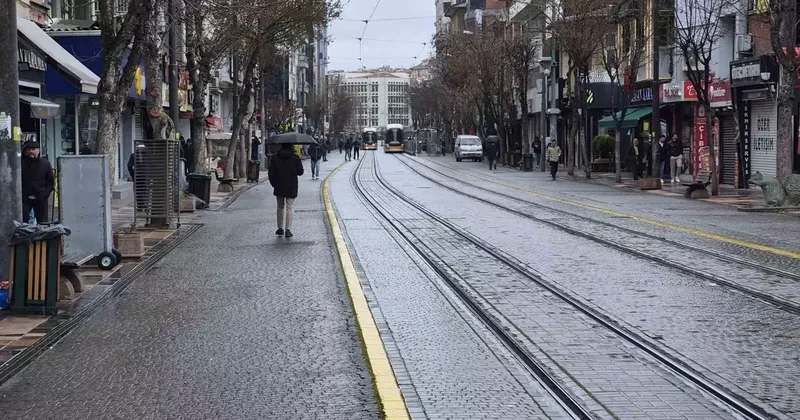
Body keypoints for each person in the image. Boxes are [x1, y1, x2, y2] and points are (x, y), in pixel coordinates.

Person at [269, 143, 304, 238]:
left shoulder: (275, 158)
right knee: (290, 207)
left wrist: (274, 184)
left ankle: (280, 228)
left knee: (280, 206)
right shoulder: (295, 158)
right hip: (291, 186)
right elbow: (300, 172)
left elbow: (271, 173)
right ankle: (288, 229)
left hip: (279, 185)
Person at [21, 141, 54, 224]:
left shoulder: (45, 164)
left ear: (38, 150)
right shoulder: (20, 164)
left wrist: (44, 194)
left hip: (41, 198)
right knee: (23, 222)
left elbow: (51, 182)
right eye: (29, 149)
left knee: (42, 222)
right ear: (25, 151)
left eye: (34, 149)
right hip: (24, 199)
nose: (31, 151)